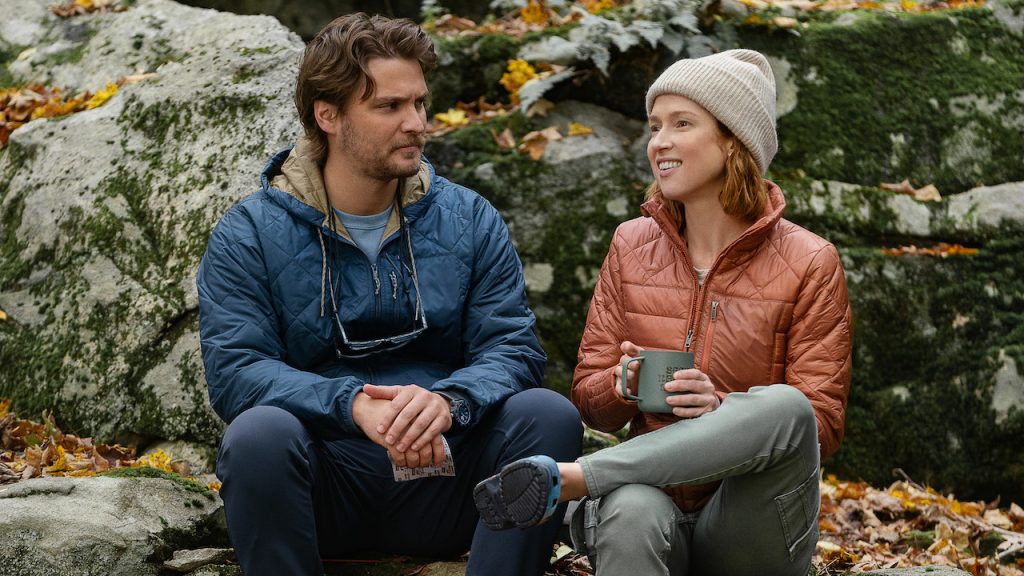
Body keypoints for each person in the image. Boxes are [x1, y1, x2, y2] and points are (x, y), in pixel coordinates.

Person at [196, 13, 582, 576]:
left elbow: (514, 349)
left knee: (548, 414)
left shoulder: (469, 218)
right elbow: (237, 370)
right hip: (327, 483)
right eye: (389, 106)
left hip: (453, 481)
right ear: (328, 115)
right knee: (256, 435)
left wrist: (447, 403)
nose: (416, 124)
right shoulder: (249, 233)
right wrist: (353, 405)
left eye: (420, 103)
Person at [472, 49, 853, 576]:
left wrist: (721, 407)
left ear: (734, 140)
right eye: (655, 127)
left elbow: (819, 428)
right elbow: (590, 402)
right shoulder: (631, 244)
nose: (659, 142)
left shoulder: (810, 261)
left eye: (682, 123)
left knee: (787, 408)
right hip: (652, 507)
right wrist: (622, 385)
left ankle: (577, 479)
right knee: (631, 509)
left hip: (752, 526)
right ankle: (583, 482)